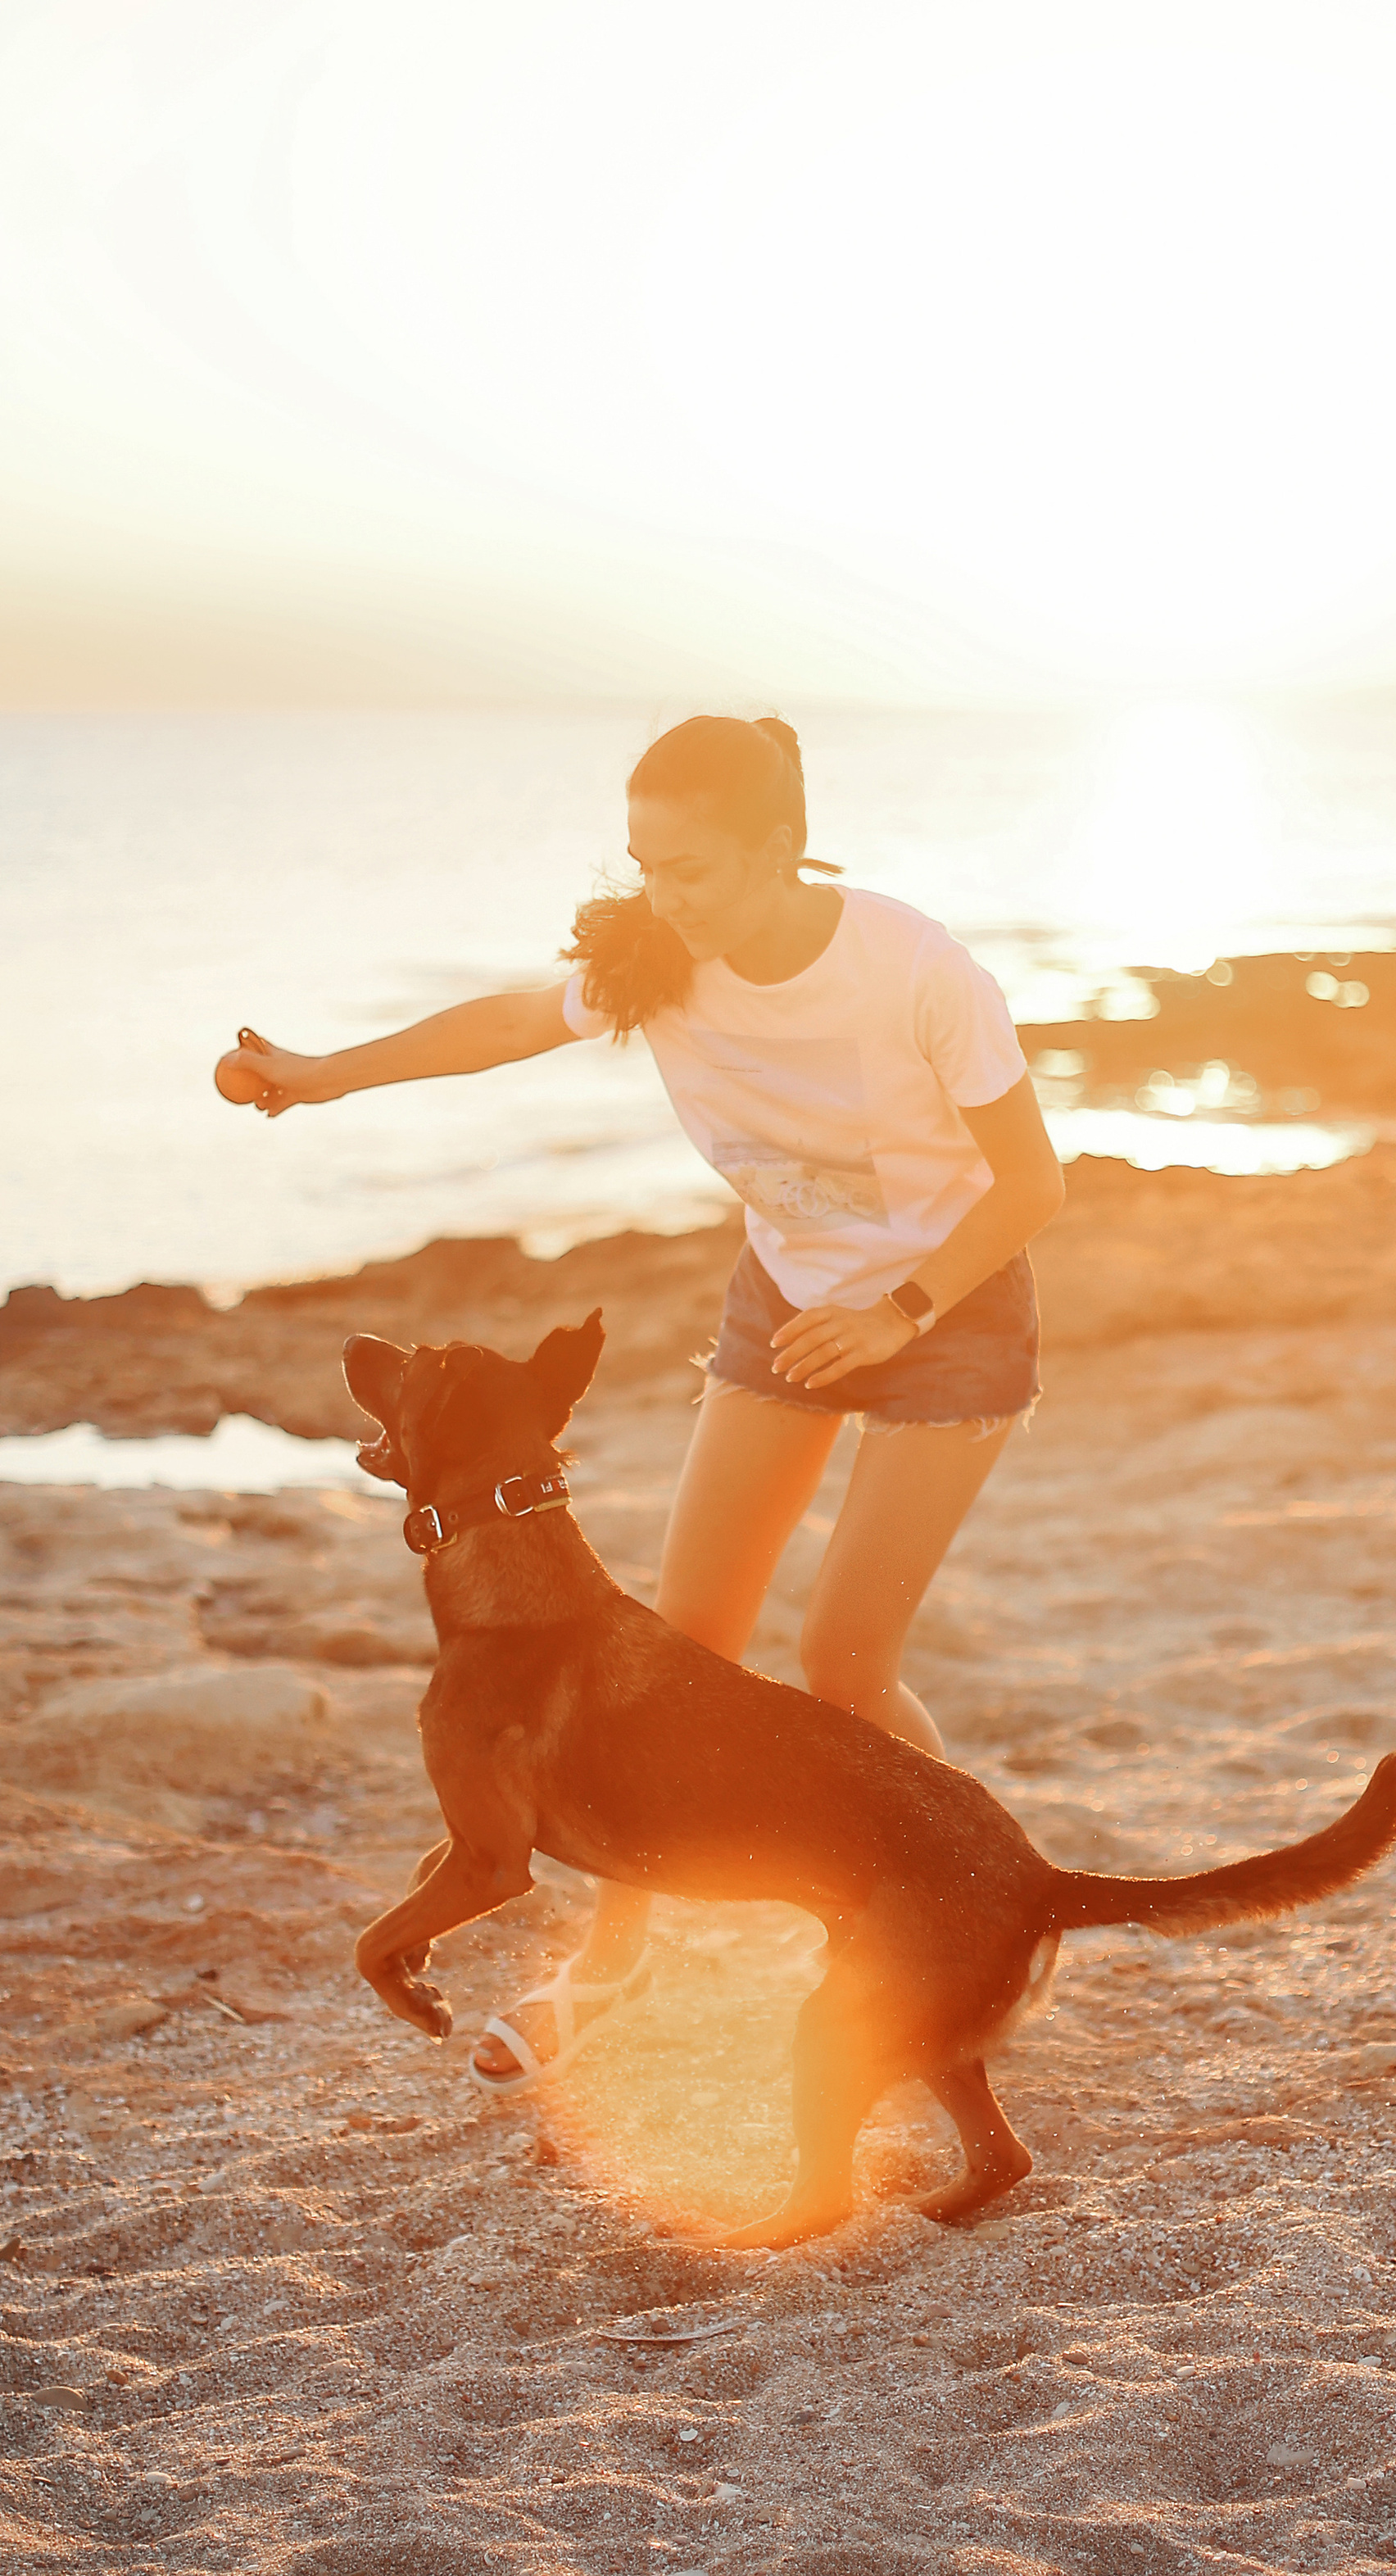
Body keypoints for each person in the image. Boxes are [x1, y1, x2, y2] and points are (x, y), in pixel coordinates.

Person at [217, 714, 1063, 2093]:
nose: (666, 900)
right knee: (675, 1655)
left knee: (844, 1665)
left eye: (696, 871)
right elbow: (503, 1023)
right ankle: (613, 1966)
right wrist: (319, 1076)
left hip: (949, 1316)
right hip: (787, 1307)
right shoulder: (653, 960)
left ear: (784, 847)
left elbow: (1033, 1184)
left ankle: (975, 1908)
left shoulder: (914, 967)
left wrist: (897, 1310)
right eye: (646, 867)